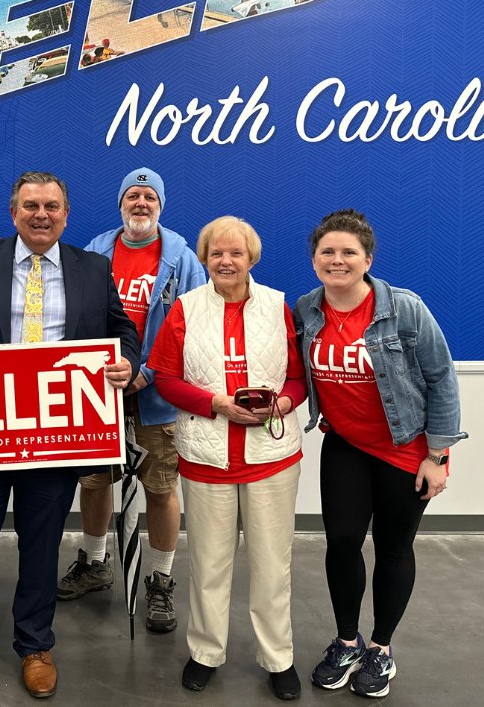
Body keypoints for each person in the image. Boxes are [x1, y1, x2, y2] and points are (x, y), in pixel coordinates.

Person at [0, 171, 140, 701]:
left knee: (41, 546)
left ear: (65, 213)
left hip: (57, 435)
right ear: (12, 213)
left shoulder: (93, 267)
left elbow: (121, 329)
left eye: (52, 206)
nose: (41, 214)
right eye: (31, 206)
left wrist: (127, 361)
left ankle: (35, 646)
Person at [295, 209, 467, 698]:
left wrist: (438, 456)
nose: (337, 260)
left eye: (349, 252)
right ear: (314, 260)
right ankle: (346, 641)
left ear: (367, 259)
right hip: (346, 445)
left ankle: (381, 649)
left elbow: (442, 379)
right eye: (327, 251)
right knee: (343, 541)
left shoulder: (404, 309)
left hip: (406, 450)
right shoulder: (308, 309)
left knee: (394, 547)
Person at [148, 216, 306, 700]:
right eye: (217, 253)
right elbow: (165, 377)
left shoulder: (279, 307)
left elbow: (299, 380)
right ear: (205, 258)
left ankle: (278, 657)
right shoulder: (185, 309)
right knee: (210, 563)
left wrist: (281, 403)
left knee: (271, 564)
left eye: (236, 253)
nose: (226, 261)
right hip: (206, 455)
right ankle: (205, 652)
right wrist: (215, 403)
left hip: (271, 457)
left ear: (251, 258)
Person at [56, 167, 205, 634]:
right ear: (120, 203)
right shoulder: (97, 251)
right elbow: (75, 317)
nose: (140, 204)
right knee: (95, 481)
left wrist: (150, 373)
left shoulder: (180, 257)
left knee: (160, 487)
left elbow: (193, 325)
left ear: (160, 205)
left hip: (156, 398)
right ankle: (96, 563)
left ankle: (160, 579)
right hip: (100, 393)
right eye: (132, 196)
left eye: (149, 197)